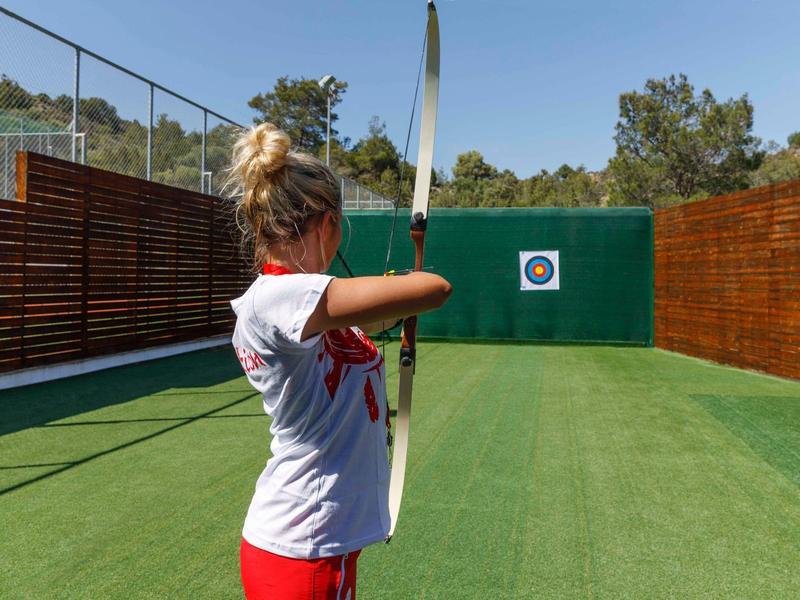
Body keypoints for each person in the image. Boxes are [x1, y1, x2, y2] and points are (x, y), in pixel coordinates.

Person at [227, 122, 452, 599]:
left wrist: (393, 305)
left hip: (312, 544)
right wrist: (405, 290)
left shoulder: (297, 309)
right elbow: (435, 289)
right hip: (303, 545)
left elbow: (362, 325)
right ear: (326, 223)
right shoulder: (281, 298)